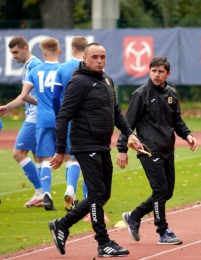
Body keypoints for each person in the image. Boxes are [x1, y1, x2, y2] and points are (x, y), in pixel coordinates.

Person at [48, 43, 142, 257]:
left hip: (101, 145)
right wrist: (60, 149)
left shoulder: (107, 79)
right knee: (97, 193)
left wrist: (131, 134)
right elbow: (63, 117)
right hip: (85, 145)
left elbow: (116, 111)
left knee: (104, 194)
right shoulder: (78, 82)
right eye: (95, 57)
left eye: (103, 56)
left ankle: (62, 224)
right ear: (84, 58)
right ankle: (103, 242)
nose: (100, 60)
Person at [116, 56, 197, 245]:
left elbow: (176, 120)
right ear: (149, 71)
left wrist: (188, 135)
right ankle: (163, 231)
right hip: (148, 149)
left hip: (167, 148)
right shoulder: (140, 94)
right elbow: (128, 124)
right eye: (154, 71)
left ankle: (134, 216)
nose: (157, 75)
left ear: (168, 74)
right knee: (160, 189)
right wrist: (122, 149)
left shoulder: (172, 94)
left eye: (161, 71)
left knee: (167, 192)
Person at [0, 36, 43, 207]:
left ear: (26, 48)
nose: (14, 56)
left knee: (18, 154)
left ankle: (40, 193)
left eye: (16, 52)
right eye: (11, 53)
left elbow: (42, 94)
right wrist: (8, 107)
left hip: (36, 116)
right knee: (38, 156)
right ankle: (43, 194)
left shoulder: (35, 65)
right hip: (34, 114)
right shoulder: (28, 66)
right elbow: (26, 96)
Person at [20, 38, 61, 211]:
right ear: (59, 51)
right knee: (71, 157)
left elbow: (24, 96)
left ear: (43, 53)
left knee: (43, 158)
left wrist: (40, 104)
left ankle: (46, 193)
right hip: (63, 117)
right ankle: (71, 193)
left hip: (43, 118)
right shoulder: (64, 69)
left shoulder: (35, 70)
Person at [52, 36, 88, 212]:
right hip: (89, 118)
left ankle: (70, 189)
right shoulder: (91, 67)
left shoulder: (62, 68)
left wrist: (61, 114)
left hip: (69, 117)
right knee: (89, 156)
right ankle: (89, 201)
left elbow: (54, 96)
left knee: (72, 156)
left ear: (73, 49)